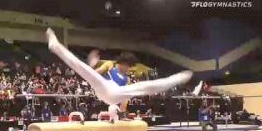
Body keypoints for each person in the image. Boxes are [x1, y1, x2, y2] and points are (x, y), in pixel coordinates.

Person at [45, 28, 192, 121]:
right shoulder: (110, 65)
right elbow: (93, 75)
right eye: (128, 66)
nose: (128, 69)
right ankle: (55, 47)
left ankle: (175, 80)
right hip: (103, 88)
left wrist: (123, 114)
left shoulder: (127, 79)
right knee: (83, 68)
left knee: (146, 87)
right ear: (122, 62)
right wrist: (91, 66)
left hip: (115, 95)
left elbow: (124, 100)